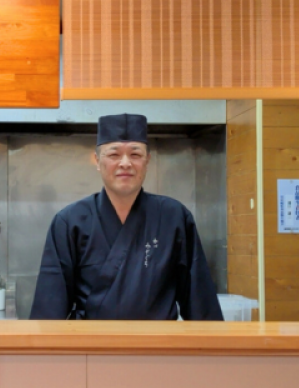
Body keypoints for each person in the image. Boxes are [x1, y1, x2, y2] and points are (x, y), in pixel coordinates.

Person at [30, 113, 223, 320]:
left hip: (158, 339)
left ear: (147, 160)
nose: (125, 163)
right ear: (97, 161)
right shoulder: (70, 222)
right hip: (92, 340)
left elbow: (201, 304)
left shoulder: (174, 217)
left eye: (135, 154)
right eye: (114, 155)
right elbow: (50, 309)